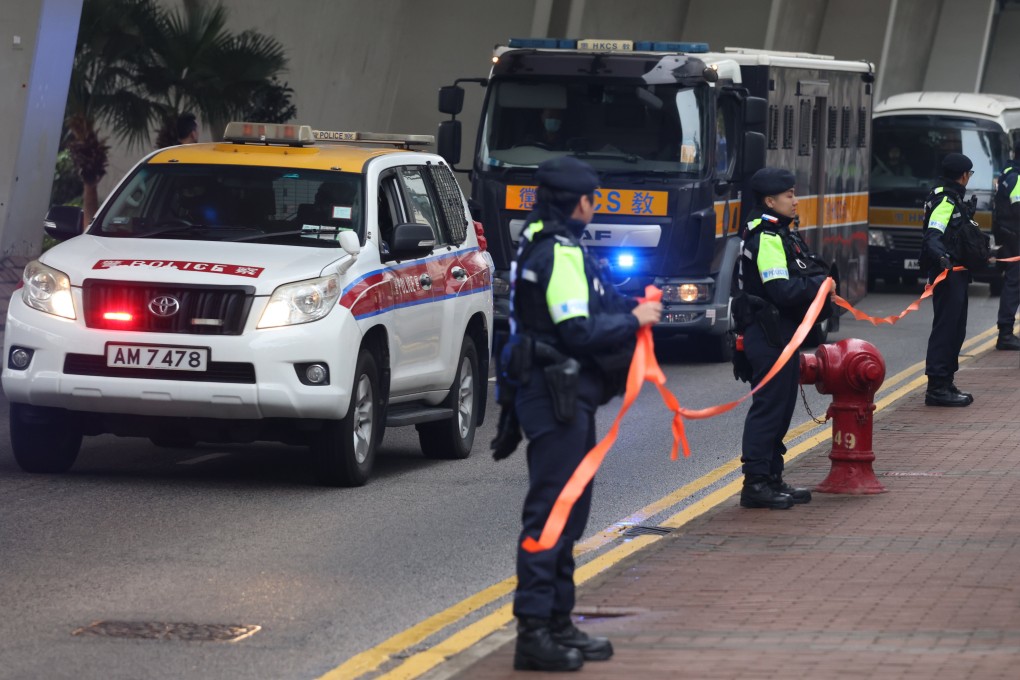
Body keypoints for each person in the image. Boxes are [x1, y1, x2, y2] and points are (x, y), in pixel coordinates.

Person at [502, 156, 661, 671]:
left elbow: (585, 309)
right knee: (552, 514)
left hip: (555, 393)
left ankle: (557, 622)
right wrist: (636, 317)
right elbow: (578, 332)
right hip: (556, 396)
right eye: (594, 199)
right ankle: (534, 632)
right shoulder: (561, 253)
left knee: (567, 513)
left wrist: (629, 305)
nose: (596, 206)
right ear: (579, 203)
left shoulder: (540, 243)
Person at [734, 167, 828, 510]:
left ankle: (772, 476)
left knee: (782, 408)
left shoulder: (780, 233)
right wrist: (819, 286)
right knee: (769, 410)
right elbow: (780, 290)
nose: (795, 201)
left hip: (782, 335)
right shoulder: (768, 238)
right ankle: (756, 484)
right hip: (769, 335)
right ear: (769, 200)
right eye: (789, 195)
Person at [920, 153, 977, 406]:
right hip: (948, 273)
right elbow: (933, 233)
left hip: (956, 271)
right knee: (947, 329)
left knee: (956, 328)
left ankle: (946, 381)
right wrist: (943, 258)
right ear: (964, 175)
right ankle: (937, 388)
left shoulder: (949, 196)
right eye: (970, 174)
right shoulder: (945, 200)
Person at [992, 144, 1020, 351]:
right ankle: (1006, 333)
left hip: (1010, 235)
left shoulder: (1009, 173)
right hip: (1016, 237)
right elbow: (1017, 208)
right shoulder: (1016, 177)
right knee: (1014, 282)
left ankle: (1006, 331)